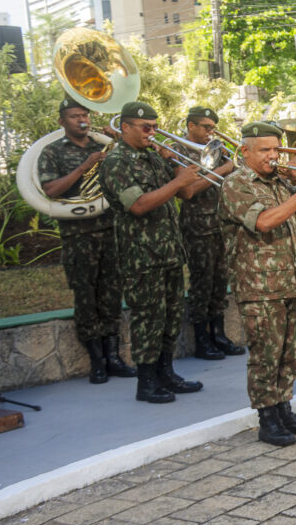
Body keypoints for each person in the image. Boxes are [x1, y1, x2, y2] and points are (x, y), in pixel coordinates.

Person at [219, 121, 296, 446]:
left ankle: (284, 408)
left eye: (276, 148)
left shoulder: (280, 181)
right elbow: (264, 222)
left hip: (289, 280)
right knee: (266, 354)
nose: (273, 155)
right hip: (258, 285)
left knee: (289, 353)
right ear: (245, 151)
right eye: (265, 150)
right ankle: (267, 419)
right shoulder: (236, 184)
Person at [99, 101, 204, 404]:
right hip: (141, 255)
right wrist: (177, 181)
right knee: (148, 317)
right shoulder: (116, 161)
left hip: (169, 250)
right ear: (125, 127)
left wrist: (175, 165)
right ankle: (146, 382)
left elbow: (185, 192)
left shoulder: (152, 157)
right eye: (146, 127)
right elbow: (139, 205)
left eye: (155, 127)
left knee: (171, 315)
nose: (152, 132)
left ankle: (166, 372)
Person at [38, 98, 133, 384]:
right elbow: (52, 190)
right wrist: (84, 167)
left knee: (111, 295)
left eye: (84, 114)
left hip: (109, 229)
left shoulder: (103, 145)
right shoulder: (52, 152)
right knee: (85, 297)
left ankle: (114, 356)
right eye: (74, 116)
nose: (82, 120)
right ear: (62, 122)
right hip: (78, 236)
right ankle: (97, 361)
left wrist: (121, 141)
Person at [172, 106, 240, 360]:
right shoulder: (178, 150)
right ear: (191, 126)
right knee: (202, 282)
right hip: (197, 226)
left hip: (221, 222)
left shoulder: (216, 148)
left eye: (213, 127)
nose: (211, 132)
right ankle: (202, 339)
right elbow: (186, 192)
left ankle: (218, 334)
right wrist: (222, 170)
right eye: (206, 127)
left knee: (220, 280)